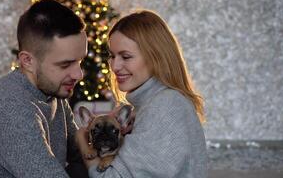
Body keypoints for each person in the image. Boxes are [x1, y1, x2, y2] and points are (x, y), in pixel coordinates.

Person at [0, 0, 89, 178]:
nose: (78, 74)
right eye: (65, 64)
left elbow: (83, 154)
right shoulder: (8, 108)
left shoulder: (53, 93)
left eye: (80, 61)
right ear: (27, 61)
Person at [76, 10, 207, 178]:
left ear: (155, 57)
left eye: (126, 56)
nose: (114, 66)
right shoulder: (151, 105)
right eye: (112, 56)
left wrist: (82, 139)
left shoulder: (165, 105)